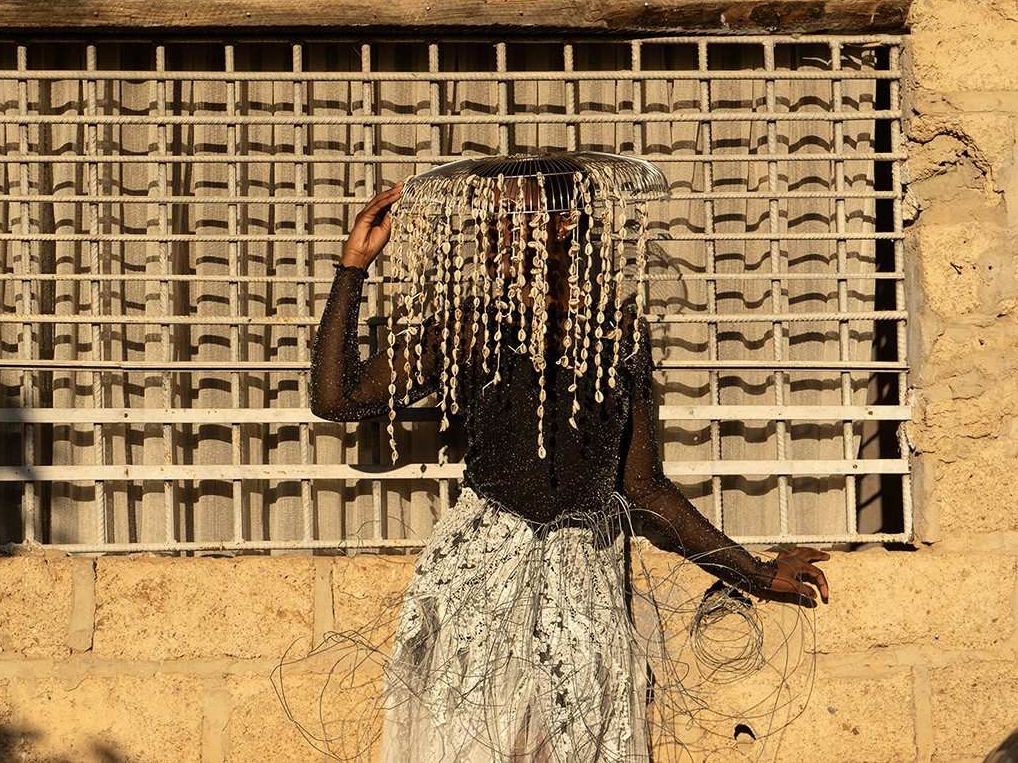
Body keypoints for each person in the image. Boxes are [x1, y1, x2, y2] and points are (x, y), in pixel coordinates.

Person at [308, 169, 831, 762]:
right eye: (493, 226)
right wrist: (353, 266)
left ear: (563, 231)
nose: (497, 238)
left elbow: (642, 488)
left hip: (580, 578)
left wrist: (757, 574)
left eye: (514, 223)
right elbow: (336, 399)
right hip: (484, 568)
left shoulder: (618, 336)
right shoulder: (469, 327)